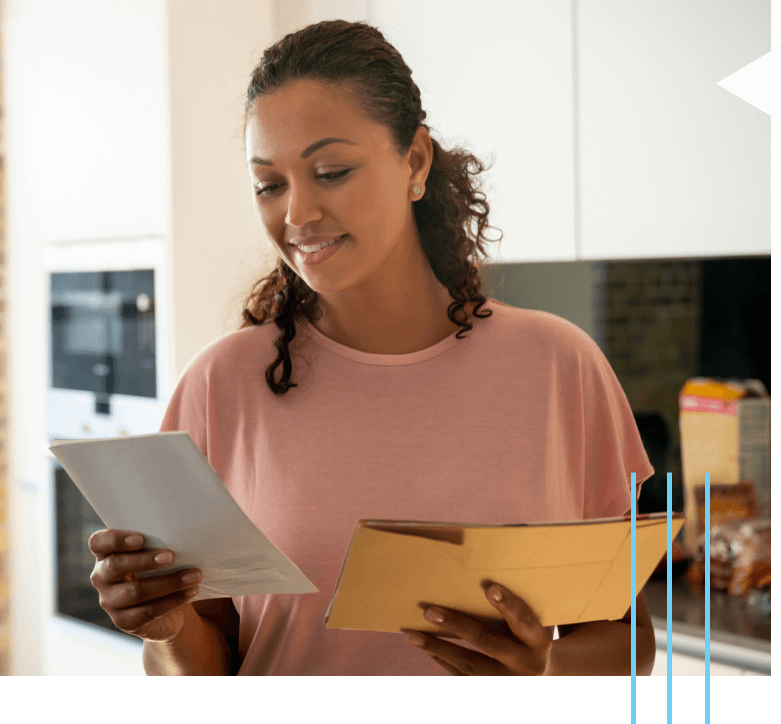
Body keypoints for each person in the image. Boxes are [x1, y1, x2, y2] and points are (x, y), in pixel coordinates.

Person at [159, 19, 655, 675]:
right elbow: (203, 657)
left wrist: (545, 671)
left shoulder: (559, 368)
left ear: (415, 161)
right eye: (269, 185)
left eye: (331, 171)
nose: (297, 213)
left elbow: (626, 641)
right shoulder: (218, 387)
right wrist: (167, 629)